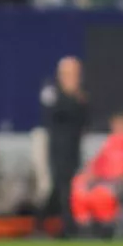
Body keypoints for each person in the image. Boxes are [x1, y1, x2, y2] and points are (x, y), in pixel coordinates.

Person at [40, 56, 88, 236]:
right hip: (58, 147)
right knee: (63, 186)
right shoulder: (51, 90)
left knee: (60, 188)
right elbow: (54, 112)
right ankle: (69, 228)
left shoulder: (80, 94)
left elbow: (84, 119)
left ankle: (40, 221)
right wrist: (71, 97)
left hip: (74, 147)